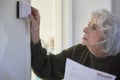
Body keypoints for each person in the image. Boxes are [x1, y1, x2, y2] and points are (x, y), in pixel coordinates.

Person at [30, 7, 120, 80]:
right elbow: (44, 67)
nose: (84, 30)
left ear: (108, 37)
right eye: (89, 25)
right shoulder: (78, 51)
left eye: (94, 28)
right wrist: (35, 33)